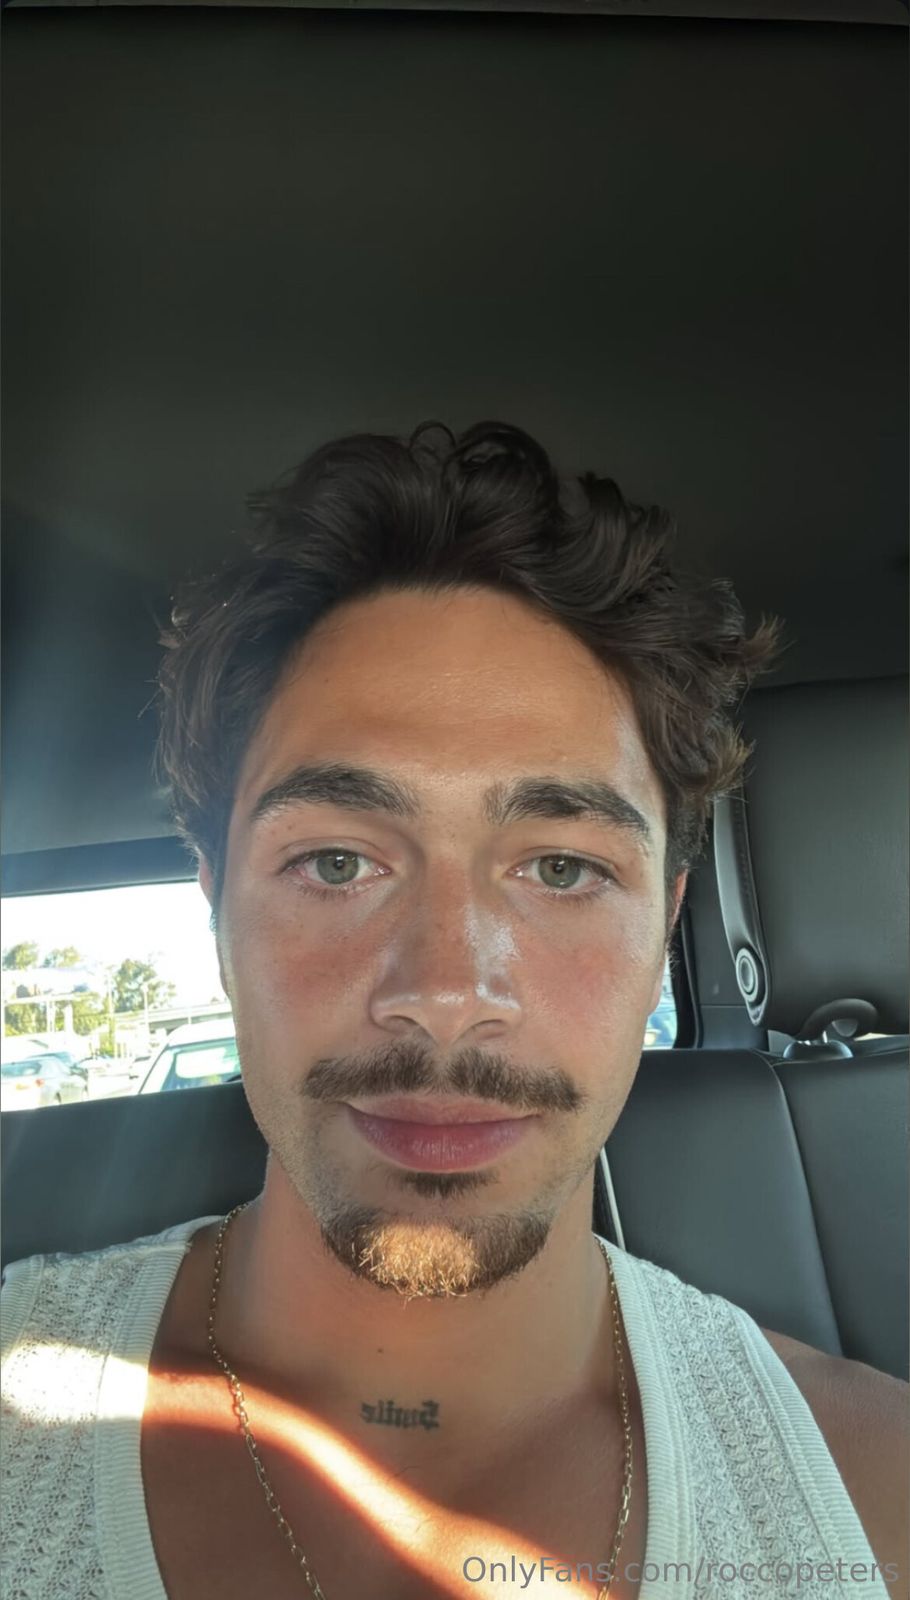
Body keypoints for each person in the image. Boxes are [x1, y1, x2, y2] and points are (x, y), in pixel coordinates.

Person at [2, 422, 906, 1600]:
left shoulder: (877, 1502)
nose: (444, 991)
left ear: (662, 926)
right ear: (218, 911)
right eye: (336, 862)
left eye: (563, 867)